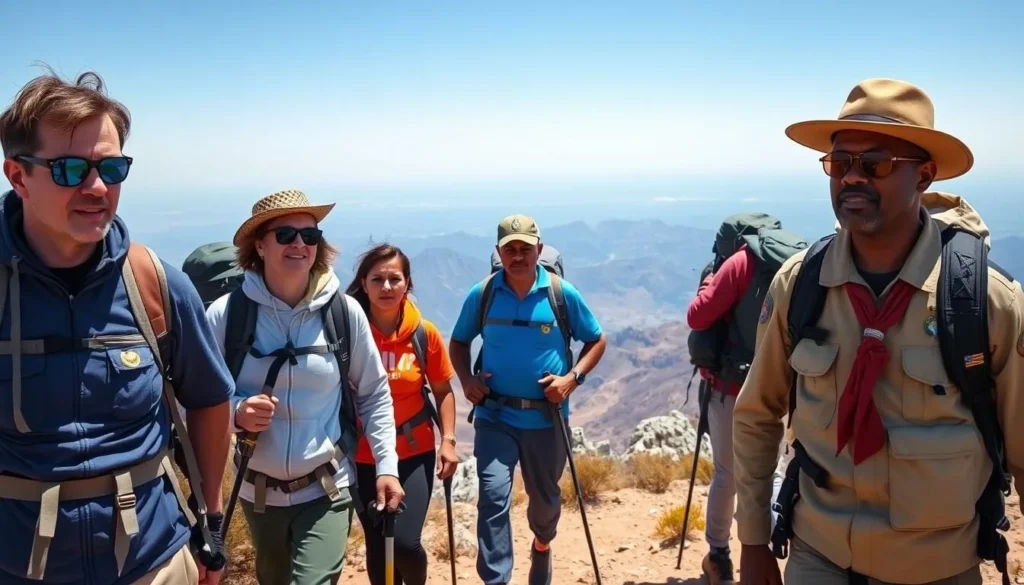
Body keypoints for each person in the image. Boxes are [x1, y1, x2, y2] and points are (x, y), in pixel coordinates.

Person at [733, 78, 1024, 585]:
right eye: (840, 163)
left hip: (937, 568)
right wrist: (754, 541)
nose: (852, 179)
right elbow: (757, 416)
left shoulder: (984, 300)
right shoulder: (800, 285)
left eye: (877, 164)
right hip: (816, 557)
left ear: (925, 176)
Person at [0, 69, 234, 584]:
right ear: (18, 176)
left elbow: (209, 399)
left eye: (112, 167)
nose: (97, 187)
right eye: (69, 170)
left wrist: (210, 518)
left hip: (152, 559)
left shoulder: (155, 284)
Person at [204, 189, 405, 585]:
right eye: (285, 235)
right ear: (259, 245)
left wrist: (387, 467)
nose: (299, 244)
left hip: (328, 488)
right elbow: (200, 398)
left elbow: (374, 394)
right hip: (256, 494)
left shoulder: (343, 313)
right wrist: (236, 411)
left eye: (310, 236)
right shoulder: (227, 315)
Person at [449, 214, 607, 585]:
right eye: (509, 249)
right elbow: (458, 342)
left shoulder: (561, 294)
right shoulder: (483, 294)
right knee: (491, 497)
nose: (517, 256)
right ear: (499, 252)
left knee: (545, 502)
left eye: (524, 248)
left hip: (545, 419)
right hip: (495, 415)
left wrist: (572, 379)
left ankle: (542, 544)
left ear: (538, 249)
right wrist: (467, 379)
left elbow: (596, 339)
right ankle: (496, 579)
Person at [686, 215, 797, 585]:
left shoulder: (739, 262)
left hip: (734, 388)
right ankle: (786, 543)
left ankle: (719, 554)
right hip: (785, 387)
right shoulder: (794, 260)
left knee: (728, 474)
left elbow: (698, 317)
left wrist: (707, 283)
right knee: (774, 470)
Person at [345, 243, 460, 585]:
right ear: (363, 284)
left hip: (413, 450)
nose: (386, 287)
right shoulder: (347, 334)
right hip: (362, 453)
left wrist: (449, 441)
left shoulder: (424, 334)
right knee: (378, 543)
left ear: (407, 284)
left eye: (395, 279)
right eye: (377, 279)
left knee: (406, 544)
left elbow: (443, 391)